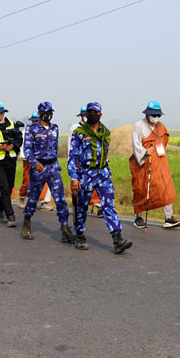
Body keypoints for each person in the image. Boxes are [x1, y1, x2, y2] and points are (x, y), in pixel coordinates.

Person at [68, 102, 132, 254]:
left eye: (95, 112)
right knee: (82, 206)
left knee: (109, 204)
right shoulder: (80, 132)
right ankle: (80, 235)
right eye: (89, 112)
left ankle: (117, 239)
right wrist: (73, 177)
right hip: (85, 173)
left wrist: (107, 168)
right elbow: (72, 156)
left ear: (100, 115)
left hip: (103, 173)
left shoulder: (105, 132)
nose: (91, 114)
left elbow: (106, 153)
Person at [20, 102, 75, 243]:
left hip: (53, 168)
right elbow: (27, 149)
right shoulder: (31, 129)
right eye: (46, 112)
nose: (48, 114)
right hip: (39, 168)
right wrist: (34, 162)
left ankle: (64, 228)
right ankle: (26, 224)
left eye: (50, 112)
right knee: (33, 199)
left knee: (60, 200)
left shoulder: (54, 129)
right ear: (39, 113)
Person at [130, 101, 180, 229]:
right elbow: (136, 145)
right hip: (144, 162)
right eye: (154, 115)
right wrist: (145, 152)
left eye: (158, 115)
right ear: (147, 114)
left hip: (160, 162)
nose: (156, 118)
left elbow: (165, 141)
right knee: (141, 188)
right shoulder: (139, 126)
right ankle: (139, 217)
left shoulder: (161, 126)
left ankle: (168, 217)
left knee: (166, 187)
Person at [68, 106, 101, 217]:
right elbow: (71, 146)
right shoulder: (76, 128)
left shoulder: (95, 127)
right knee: (80, 186)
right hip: (79, 161)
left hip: (92, 162)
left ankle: (97, 204)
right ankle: (79, 207)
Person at [18, 112, 52, 210]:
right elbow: (23, 145)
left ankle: (43, 201)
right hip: (29, 159)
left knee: (44, 179)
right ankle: (22, 196)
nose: (34, 122)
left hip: (42, 159)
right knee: (28, 179)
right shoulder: (27, 131)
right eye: (33, 121)